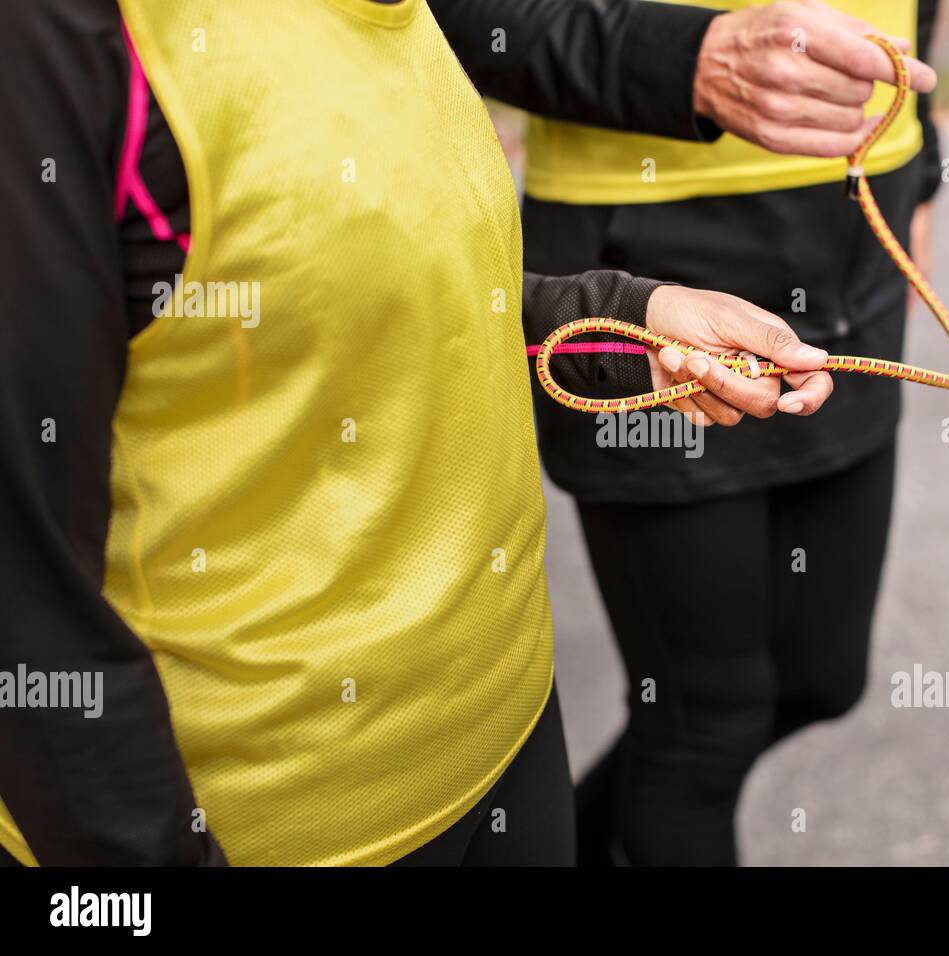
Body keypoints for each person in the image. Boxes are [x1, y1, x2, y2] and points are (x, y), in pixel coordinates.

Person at [0, 0, 846, 867]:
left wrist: (626, 326)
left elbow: (373, 285)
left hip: (511, 750)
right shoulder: (70, 39)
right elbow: (26, 600)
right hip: (279, 830)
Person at [521, 0, 947, 865]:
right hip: (640, 240)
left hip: (856, 218)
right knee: (701, 721)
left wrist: (924, 157)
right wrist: (684, 59)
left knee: (820, 676)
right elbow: (451, 16)